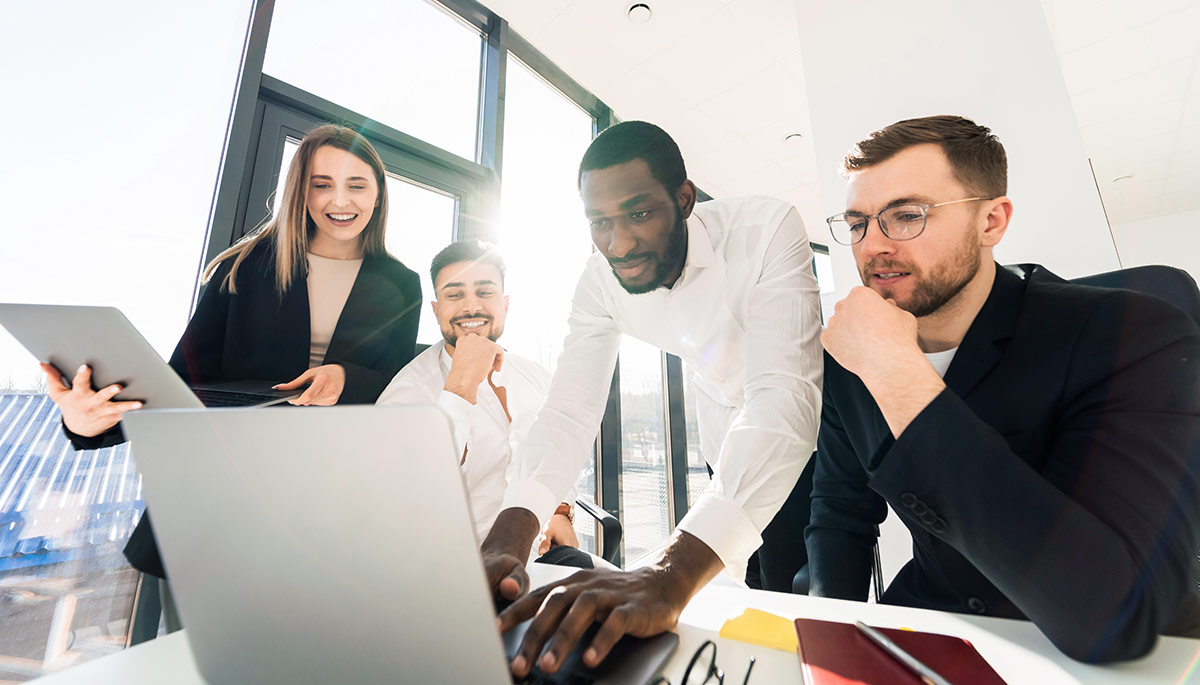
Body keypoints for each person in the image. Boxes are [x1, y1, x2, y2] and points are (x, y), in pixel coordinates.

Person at [806, 114, 1200, 663]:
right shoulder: (850, 362)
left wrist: (896, 370)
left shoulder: (1134, 333)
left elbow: (1117, 616)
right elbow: (839, 510)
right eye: (857, 224)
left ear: (991, 221)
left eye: (906, 215)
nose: (872, 246)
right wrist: (830, 640)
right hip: (937, 628)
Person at [490, 121, 824, 678]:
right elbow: (569, 408)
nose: (618, 244)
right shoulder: (597, 283)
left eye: (639, 214)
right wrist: (512, 528)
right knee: (748, 587)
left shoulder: (766, 227)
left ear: (684, 199)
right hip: (725, 431)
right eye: (600, 223)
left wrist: (668, 572)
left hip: (809, 434)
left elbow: (782, 399)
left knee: (803, 597)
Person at [42, 124, 423, 580]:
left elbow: (402, 391)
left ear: (378, 195)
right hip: (224, 490)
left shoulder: (402, 285)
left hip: (331, 499)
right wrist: (87, 425)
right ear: (301, 193)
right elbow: (180, 382)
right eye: (322, 185)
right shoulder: (244, 267)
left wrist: (347, 380)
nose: (340, 201)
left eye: (356, 185)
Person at [376, 240, 588, 566]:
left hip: (540, 558)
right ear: (436, 310)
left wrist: (559, 510)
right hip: (450, 568)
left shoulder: (537, 378)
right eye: (454, 294)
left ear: (504, 305)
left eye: (485, 292)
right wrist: (461, 383)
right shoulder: (407, 392)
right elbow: (412, 489)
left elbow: (556, 456)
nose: (471, 306)